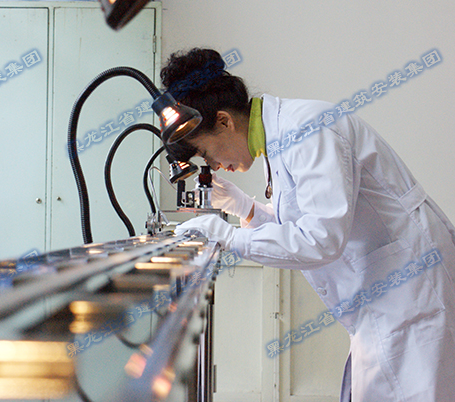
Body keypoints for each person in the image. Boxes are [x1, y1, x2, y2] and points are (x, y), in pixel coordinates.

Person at [166, 48, 455, 402]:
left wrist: (230, 238)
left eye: (205, 153)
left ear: (224, 122)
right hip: (385, 299)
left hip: (412, 296)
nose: (212, 165)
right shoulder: (279, 139)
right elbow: (301, 224)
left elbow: (320, 238)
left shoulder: (306, 129)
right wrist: (245, 207)